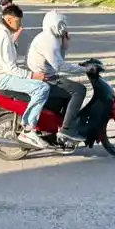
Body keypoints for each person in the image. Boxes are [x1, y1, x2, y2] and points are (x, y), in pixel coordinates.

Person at [0, 5, 50, 148]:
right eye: (18, 22)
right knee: (42, 89)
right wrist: (32, 75)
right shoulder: (1, 35)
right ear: (8, 19)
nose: (20, 25)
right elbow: (10, 68)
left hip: (0, 75)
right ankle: (28, 129)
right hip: (2, 78)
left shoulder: (1, 33)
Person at [26, 10, 88, 145]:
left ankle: (62, 126)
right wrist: (84, 69)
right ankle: (67, 130)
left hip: (47, 76)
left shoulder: (50, 37)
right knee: (79, 90)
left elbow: (59, 61)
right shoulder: (50, 41)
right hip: (46, 79)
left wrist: (64, 45)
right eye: (63, 25)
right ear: (57, 24)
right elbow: (59, 66)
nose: (65, 28)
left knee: (70, 90)